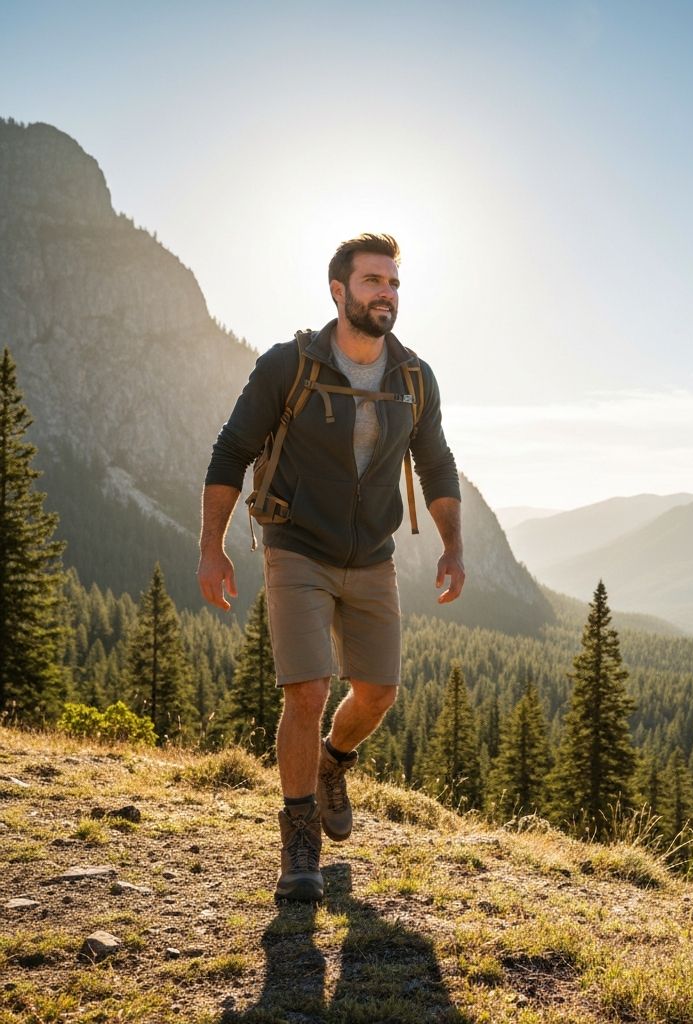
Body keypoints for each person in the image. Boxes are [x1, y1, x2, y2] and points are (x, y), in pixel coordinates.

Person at [197, 233, 464, 902]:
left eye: (395, 283)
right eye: (374, 280)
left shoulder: (413, 379)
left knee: (377, 693)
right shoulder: (289, 365)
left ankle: (332, 764)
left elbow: (435, 464)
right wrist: (211, 544)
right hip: (296, 546)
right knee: (308, 689)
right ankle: (298, 843)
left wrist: (453, 544)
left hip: (373, 555)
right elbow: (231, 452)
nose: (387, 293)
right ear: (339, 291)